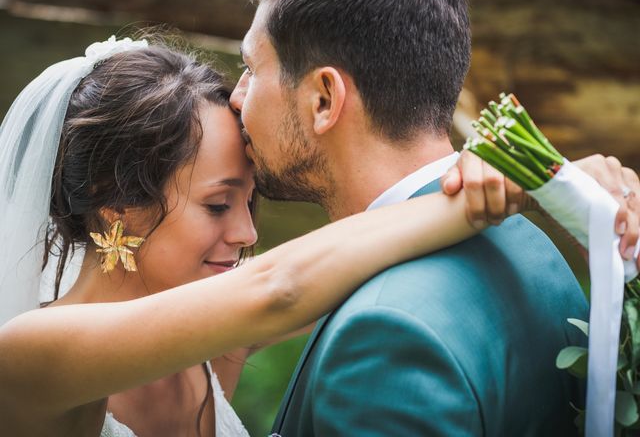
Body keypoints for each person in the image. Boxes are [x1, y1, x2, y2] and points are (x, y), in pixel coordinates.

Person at [0, 37, 585, 437]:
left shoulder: (215, 341)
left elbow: (355, 269)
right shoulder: (31, 354)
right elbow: (280, 286)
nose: (248, 231)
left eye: (247, 200)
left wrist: (566, 186)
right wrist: (480, 197)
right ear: (118, 206)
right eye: (216, 204)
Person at [229, 0, 640, 435]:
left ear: (324, 99)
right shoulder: (532, 245)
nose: (237, 96)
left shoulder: (385, 335)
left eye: (251, 68)